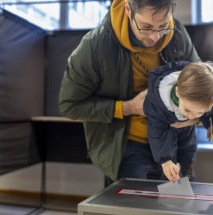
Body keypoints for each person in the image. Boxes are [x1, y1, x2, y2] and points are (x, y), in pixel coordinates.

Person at [58, 0, 200, 184]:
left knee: (177, 209)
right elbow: (69, 105)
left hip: (174, 144)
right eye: (146, 27)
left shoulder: (177, 34)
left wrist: (193, 116)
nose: (155, 37)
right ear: (128, 9)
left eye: (163, 26)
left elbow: (200, 85)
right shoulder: (95, 46)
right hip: (128, 150)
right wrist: (127, 107)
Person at [143, 61, 213, 182]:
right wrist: (165, 161)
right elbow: (157, 134)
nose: (192, 116)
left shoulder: (208, 96)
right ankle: (165, 173)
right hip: (164, 132)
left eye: (199, 112)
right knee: (166, 156)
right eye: (188, 109)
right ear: (177, 92)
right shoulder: (158, 105)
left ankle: (187, 169)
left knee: (189, 148)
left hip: (187, 132)